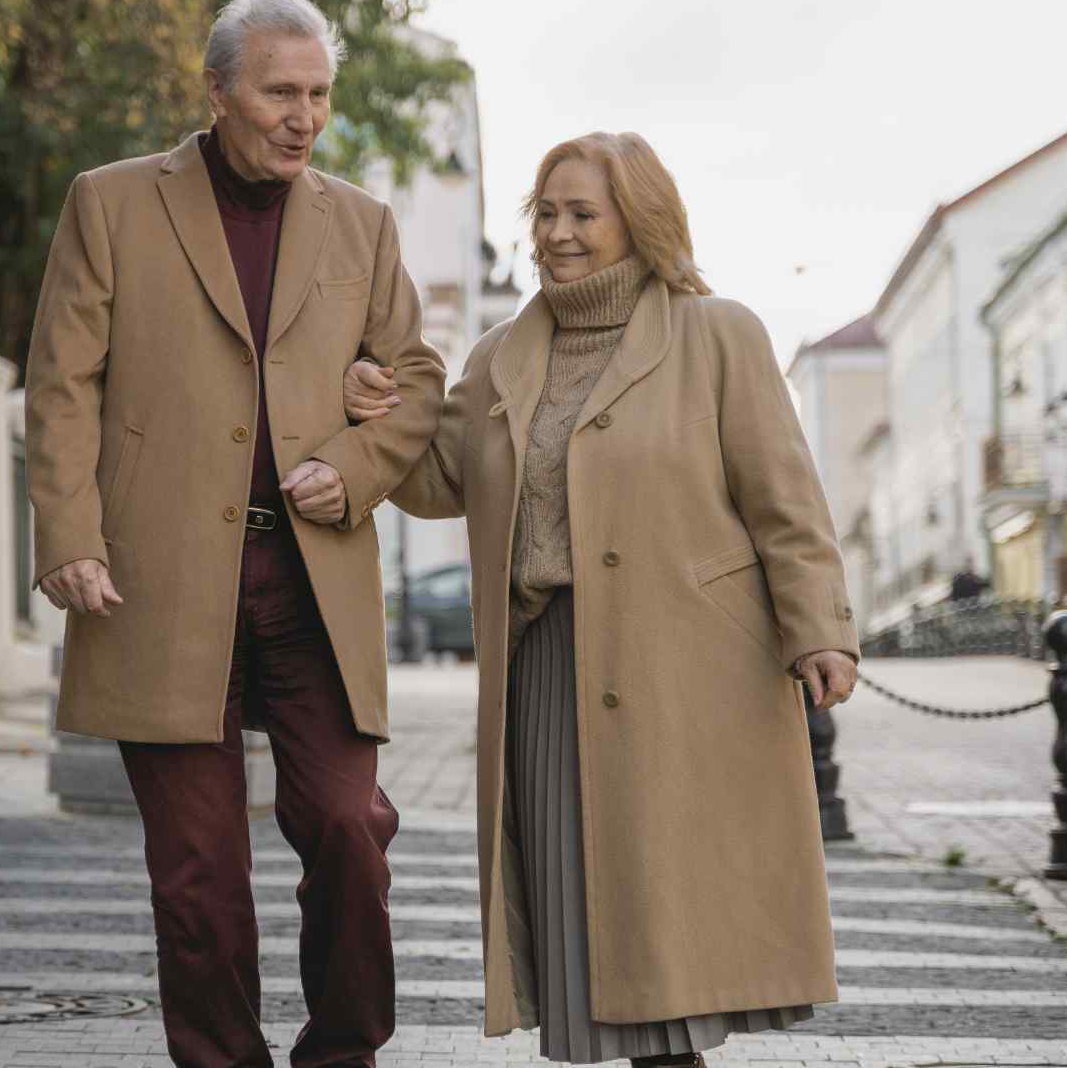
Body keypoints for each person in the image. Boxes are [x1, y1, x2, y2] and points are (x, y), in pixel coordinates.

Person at [343, 132, 859, 1066]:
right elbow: (435, 477)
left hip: (691, 666)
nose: (559, 233)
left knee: (671, 913)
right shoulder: (501, 356)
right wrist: (373, 409)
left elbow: (785, 499)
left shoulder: (717, 333)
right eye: (545, 213)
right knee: (589, 910)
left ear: (639, 221)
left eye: (584, 213)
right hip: (548, 668)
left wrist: (820, 630)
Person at [22, 0, 445, 1064]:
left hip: (313, 580)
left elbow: (414, 379)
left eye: (319, 95)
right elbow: (61, 385)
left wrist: (353, 469)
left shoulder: (362, 222)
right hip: (158, 577)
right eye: (280, 93)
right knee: (199, 872)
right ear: (217, 92)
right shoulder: (111, 203)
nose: (305, 118)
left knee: (349, 827)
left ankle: (343, 1052)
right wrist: (70, 534)